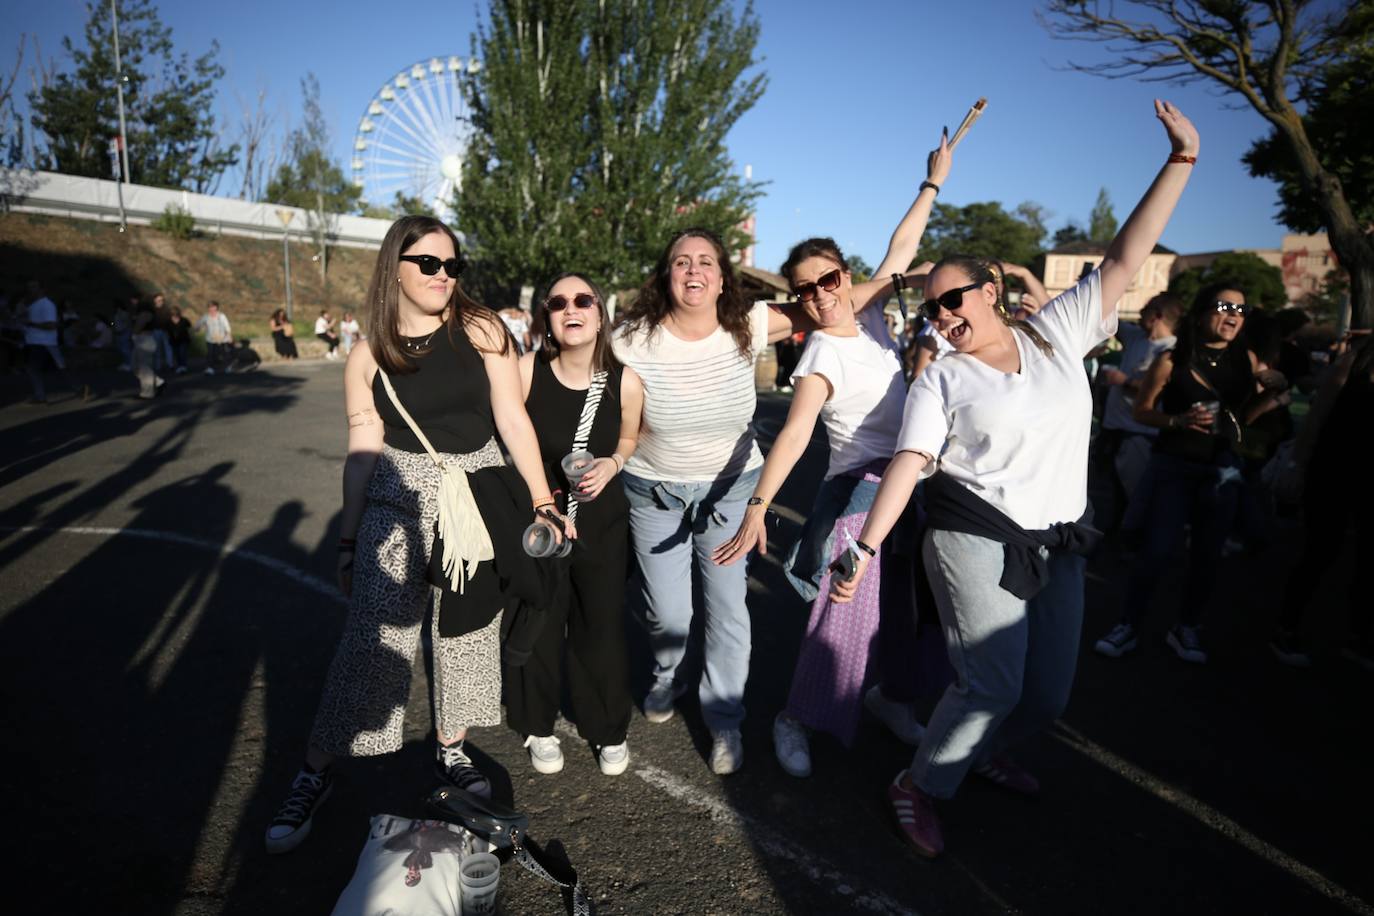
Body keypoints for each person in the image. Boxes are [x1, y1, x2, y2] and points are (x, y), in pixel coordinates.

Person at [831, 100, 1200, 858]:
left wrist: (1181, 161)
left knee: (1045, 696)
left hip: (1058, 538)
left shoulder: (1059, 330)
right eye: (932, 310)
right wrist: (863, 549)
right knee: (992, 683)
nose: (940, 318)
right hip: (973, 533)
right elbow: (912, 461)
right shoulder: (942, 377)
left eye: (952, 301)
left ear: (990, 290)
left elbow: (1128, 259)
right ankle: (919, 782)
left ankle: (979, 748)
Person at [265, 215, 568, 854]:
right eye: (428, 263)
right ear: (394, 268)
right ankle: (314, 770)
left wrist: (542, 500)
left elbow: (512, 419)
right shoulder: (366, 353)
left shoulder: (483, 328)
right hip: (398, 499)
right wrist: (349, 540)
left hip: (477, 498)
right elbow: (363, 447)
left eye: (452, 265)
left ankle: (450, 748)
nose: (442, 276)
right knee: (373, 640)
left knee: (465, 634)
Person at [712, 131, 952, 779]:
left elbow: (904, 249)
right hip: (859, 495)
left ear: (846, 274)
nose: (821, 294)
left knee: (912, 614)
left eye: (829, 279)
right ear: (798, 297)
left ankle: (892, 698)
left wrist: (933, 182)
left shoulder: (870, 311)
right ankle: (794, 717)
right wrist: (760, 504)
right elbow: (793, 435)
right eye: (807, 289)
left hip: (913, 486)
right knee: (840, 621)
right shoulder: (819, 352)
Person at [612, 226, 824, 775]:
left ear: (722, 276)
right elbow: (567, 358)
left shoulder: (748, 325)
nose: (694, 271)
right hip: (653, 491)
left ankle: (725, 720)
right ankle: (667, 676)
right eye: (681, 262)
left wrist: (901, 275)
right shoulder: (632, 338)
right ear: (667, 275)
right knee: (667, 612)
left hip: (732, 490)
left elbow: (831, 304)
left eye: (706, 261)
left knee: (728, 609)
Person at [1094, 283, 1288, 664]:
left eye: (1241, 310)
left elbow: (1241, 422)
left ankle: (1186, 627)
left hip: (1222, 470)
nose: (1233, 315)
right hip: (1174, 466)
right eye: (1224, 306)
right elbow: (1142, 412)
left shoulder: (1246, 360)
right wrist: (1177, 420)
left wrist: (1270, 394)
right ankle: (1128, 625)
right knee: (1157, 552)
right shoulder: (1172, 358)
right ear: (1202, 313)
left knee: (1207, 556)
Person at [505, 272, 644, 777]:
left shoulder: (625, 380)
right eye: (559, 302)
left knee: (600, 628)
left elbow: (628, 437)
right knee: (539, 622)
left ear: (600, 313)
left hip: (602, 520)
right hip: (540, 517)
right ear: (547, 316)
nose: (571, 308)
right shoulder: (525, 371)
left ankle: (607, 729)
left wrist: (614, 463)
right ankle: (538, 726)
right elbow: (506, 434)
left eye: (583, 299)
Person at [1271, 332, 1373, 667]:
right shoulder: (1357, 360)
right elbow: (1316, 417)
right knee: (1320, 552)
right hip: (1332, 472)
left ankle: (1359, 636)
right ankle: (1287, 626)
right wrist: (1297, 464)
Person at [1096, 294, 1183, 529]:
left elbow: (1160, 392)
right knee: (1107, 487)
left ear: (1156, 317)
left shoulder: (1173, 351)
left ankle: (1129, 539)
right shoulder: (1136, 336)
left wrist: (1125, 381)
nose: (1139, 314)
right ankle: (1112, 533)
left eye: (1144, 309)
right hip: (1113, 427)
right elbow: (1104, 315)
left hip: (1139, 432)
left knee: (1133, 491)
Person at [23, 280, 89, 404]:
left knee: (34, 368)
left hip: (43, 342)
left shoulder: (47, 305)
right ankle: (78, 388)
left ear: (42, 289)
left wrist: (31, 324)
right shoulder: (33, 305)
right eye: (29, 287)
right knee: (54, 367)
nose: (30, 290)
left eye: (34, 287)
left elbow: (51, 325)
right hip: (36, 341)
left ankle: (41, 396)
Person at [196, 301, 233, 375]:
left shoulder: (222, 316)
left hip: (221, 339)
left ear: (216, 307)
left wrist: (229, 335)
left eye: (213, 307)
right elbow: (199, 323)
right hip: (210, 339)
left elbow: (227, 325)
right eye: (210, 307)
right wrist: (197, 328)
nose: (211, 308)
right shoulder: (206, 316)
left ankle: (227, 367)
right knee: (210, 354)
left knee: (223, 353)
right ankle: (210, 368)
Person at [167, 306, 192, 374]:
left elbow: (189, 328)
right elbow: (167, 332)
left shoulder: (184, 320)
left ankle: (183, 366)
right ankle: (179, 366)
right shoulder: (168, 322)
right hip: (174, 341)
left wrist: (190, 337)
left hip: (184, 340)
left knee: (182, 353)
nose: (175, 316)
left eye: (176, 314)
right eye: (173, 314)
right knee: (177, 354)